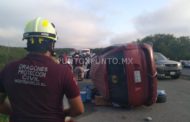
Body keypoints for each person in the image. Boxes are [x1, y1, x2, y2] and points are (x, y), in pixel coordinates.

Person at [0, 17, 84, 122]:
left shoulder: (8, 68)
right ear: (51, 44)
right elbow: (78, 109)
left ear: (27, 41)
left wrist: (17, 113)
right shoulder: (63, 72)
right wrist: (61, 115)